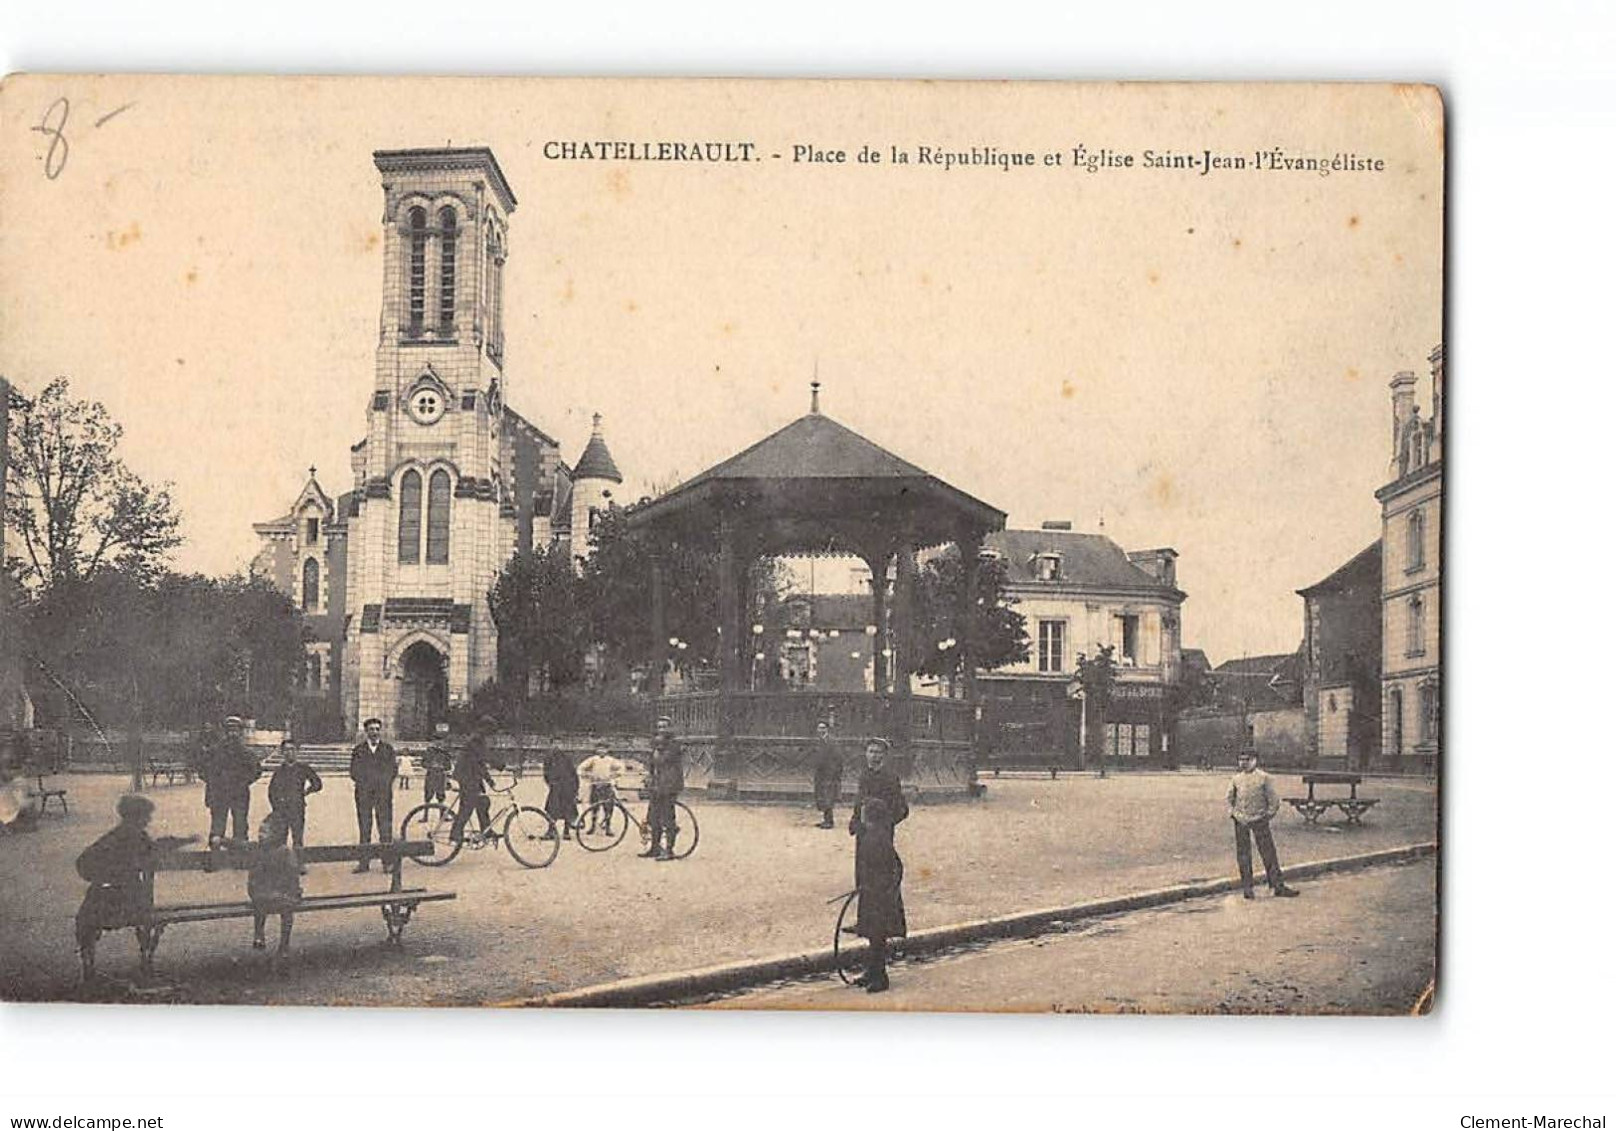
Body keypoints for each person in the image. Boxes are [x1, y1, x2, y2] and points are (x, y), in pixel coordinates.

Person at [74, 794, 198, 981]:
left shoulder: (114, 836)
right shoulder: (137, 837)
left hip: (102, 901)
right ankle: (145, 960)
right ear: (137, 817)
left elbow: (83, 863)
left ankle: (88, 966)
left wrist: (103, 876)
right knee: (129, 904)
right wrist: (186, 841)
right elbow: (158, 847)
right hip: (131, 903)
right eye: (146, 816)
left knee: (86, 918)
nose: (149, 820)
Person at [850, 793, 907, 994]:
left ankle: (880, 977)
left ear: (871, 817)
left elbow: (895, 867)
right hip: (871, 894)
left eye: (864, 814)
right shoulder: (871, 836)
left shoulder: (878, 839)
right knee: (873, 935)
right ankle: (871, 972)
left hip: (879, 897)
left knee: (877, 936)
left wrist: (885, 891)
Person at [1226, 749, 1301, 899]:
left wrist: (1267, 816)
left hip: (1260, 819)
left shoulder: (1264, 778)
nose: (1243, 763)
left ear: (1255, 760)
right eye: (1241, 759)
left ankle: (1277, 886)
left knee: (1268, 853)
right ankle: (1247, 888)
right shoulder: (1236, 779)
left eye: (1247, 759)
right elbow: (1230, 798)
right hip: (1241, 820)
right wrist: (1234, 814)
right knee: (1243, 855)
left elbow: (1273, 800)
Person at [201, 716, 262, 849]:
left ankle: (240, 856)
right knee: (217, 826)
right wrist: (214, 783)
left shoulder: (246, 753)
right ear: (225, 732)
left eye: (235, 730)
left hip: (239, 794)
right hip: (219, 794)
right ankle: (214, 858)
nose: (232, 733)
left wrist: (243, 781)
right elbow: (203, 770)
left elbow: (257, 770)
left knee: (240, 825)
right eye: (229, 730)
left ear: (240, 732)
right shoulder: (215, 751)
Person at [248, 811, 301, 963]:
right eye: (259, 831)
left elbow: (292, 875)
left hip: (281, 892)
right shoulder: (258, 848)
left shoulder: (285, 852)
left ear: (277, 834)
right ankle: (259, 934)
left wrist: (290, 891)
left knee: (286, 908)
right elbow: (239, 844)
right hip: (264, 892)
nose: (260, 835)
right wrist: (222, 840)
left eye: (264, 832)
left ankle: (284, 944)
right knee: (261, 902)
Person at [349, 717, 398, 873]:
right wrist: (367, 783)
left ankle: (387, 862)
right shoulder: (358, 750)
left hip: (383, 794)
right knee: (365, 828)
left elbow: (392, 771)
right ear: (366, 732)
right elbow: (354, 772)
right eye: (371, 729)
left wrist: (381, 783)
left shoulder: (388, 749)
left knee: (385, 828)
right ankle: (364, 863)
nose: (375, 732)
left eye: (377, 729)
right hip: (364, 794)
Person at [267, 739, 322, 856]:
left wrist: (307, 791)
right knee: (281, 837)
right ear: (282, 753)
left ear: (297, 751)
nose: (289, 753)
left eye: (292, 749)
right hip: (281, 809)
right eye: (286, 750)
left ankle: (299, 862)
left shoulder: (303, 768)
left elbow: (317, 783)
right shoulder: (279, 771)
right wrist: (276, 807)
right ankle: (282, 863)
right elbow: (271, 791)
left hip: (297, 807)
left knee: (297, 836)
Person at [642, 715, 684, 861]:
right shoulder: (655, 745)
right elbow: (652, 765)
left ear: (670, 729)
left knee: (667, 818)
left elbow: (663, 760)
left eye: (664, 727)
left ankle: (669, 850)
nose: (661, 730)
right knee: (653, 818)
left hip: (670, 785)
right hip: (657, 786)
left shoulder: (674, 745)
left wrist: (657, 748)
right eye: (659, 727)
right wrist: (648, 776)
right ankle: (655, 847)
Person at [449, 723, 497, 845]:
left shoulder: (479, 738)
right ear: (485, 728)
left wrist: (489, 780)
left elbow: (480, 763)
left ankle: (486, 830)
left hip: (472, 775)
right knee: (468, 806)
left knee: (483, 802)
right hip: (466, 776)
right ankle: (455, 833)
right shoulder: (476, 739)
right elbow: (484, 757)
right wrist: (499, 764)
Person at [576, 741, 627, 835]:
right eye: (599, 748)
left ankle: (608, 827)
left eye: (604, 749)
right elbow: (580, 768)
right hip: (596, 785)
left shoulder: (611, 760)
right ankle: (593, 826)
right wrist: (588, 775)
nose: (601, 751)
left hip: (607, 785)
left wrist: (614, 775)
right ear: (596, 750)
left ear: (607, 750)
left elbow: (622, 768)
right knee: (594, 807)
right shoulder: (593, 759)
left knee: (608, 807)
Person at [810, 719, 842, 829]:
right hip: (820, 773)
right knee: (822, 796)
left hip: (829, 773)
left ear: (827, 729)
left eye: (823, 728)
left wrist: (834, 772)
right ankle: (826, 819)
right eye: (819, 728)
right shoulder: (819, 741)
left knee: (828, 796)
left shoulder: (831, 741)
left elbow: (837, 758)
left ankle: (829, 821)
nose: (821, 730)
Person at [543, 749, 581, 840]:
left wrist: (575, 788)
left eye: (559, 742)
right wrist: (551, 783)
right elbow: (546, 773)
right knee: (552, 810)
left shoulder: (567, 758)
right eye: (555, 742)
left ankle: (566, 832)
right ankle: (550, 831)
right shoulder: (549, 758)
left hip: (568, 787)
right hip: (556, 787)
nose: (557, 746)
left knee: (568, 810)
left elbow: (573, 774)